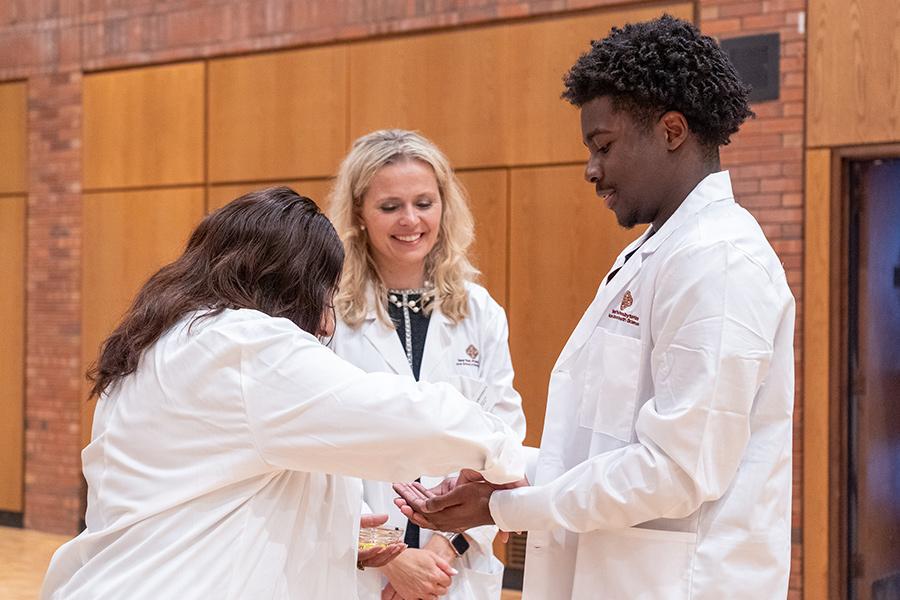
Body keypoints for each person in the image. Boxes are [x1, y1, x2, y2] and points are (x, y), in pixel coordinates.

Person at [395, 14, 795, 599]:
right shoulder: (655, 253)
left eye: (603, 146)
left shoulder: (720, 260)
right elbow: (601, 448)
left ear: (672, 130)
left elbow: (675, 471)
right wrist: (511, 476)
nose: (591, 170)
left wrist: (506, 506)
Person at [41, 187, 525, 600]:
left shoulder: (163, 340)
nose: (327, 322)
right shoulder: (246, 346)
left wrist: (350, 529)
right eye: (325, 294)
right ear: (292, 282)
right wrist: (502, 458)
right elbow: (407, 418)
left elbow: (228, 484)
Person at [328, 129, 526, 600]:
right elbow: (318, 453)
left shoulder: (480, 312)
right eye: (389, 206)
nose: (410, 220)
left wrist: (442, 549)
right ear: (359, 213)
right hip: (361, 569)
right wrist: (390, 557)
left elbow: (503, 440)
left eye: (423, 203)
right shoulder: (328, 312)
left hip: (454, 569)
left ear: (443, 206)